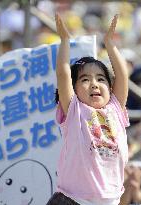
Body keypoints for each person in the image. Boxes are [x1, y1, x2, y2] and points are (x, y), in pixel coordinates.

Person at [46, 13, 129, 205]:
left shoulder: (115, 109)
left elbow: (122, 76)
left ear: (110, 87)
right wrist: (65, 40)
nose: (94, 84)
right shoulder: (75, 110)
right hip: (73, 200)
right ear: (73, 89)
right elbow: (63, 73)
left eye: (101, 79)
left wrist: (109, 43)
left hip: (111, 200)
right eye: (85, 79)